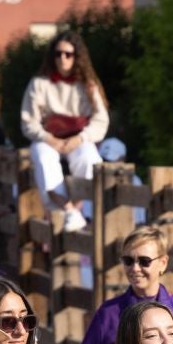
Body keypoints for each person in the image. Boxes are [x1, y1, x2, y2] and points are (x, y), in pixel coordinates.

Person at [21, 31, 109, 234]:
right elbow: (28, 121)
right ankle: (65, 211)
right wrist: (48, 138)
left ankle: (80, 210)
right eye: (58, 54)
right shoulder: (39, 84)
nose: (63, 58)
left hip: (77, 139)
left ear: (77, 57)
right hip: (48, 138)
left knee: (90, 158)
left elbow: (101, 120)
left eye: (68, 54)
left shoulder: (87, 86)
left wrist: (80, 138)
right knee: (43, 159)